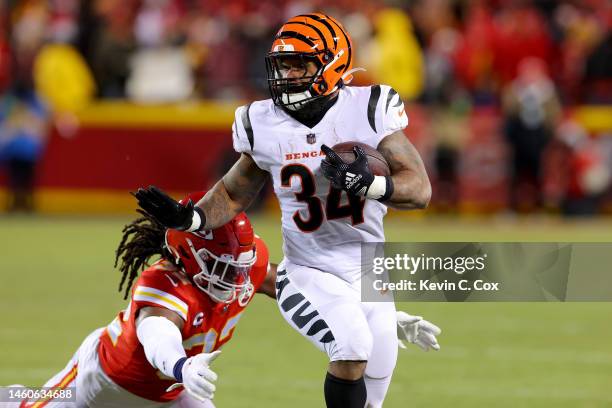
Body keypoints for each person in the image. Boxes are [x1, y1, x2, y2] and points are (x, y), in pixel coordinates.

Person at [135, 13, 441, 408]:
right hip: (310, 269)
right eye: (284, 64)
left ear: (333, 63)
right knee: (351, 346)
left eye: (301, 63)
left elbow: (420, 190)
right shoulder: (262, 122)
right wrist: (189, 218)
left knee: (375, 383)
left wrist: (370, 185)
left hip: (369, 269)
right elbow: (232, 193)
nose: (289, 74)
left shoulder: (369, 108)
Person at [12, 192, 277, 407]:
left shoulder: (246, 266)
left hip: (172, 391)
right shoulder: (162, 283)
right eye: (225, 268)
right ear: (189, 253)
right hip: (107, 383)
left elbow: (285, 284)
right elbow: (158, 337)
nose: (238, 279)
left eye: (242, 267)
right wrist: (181, 365)